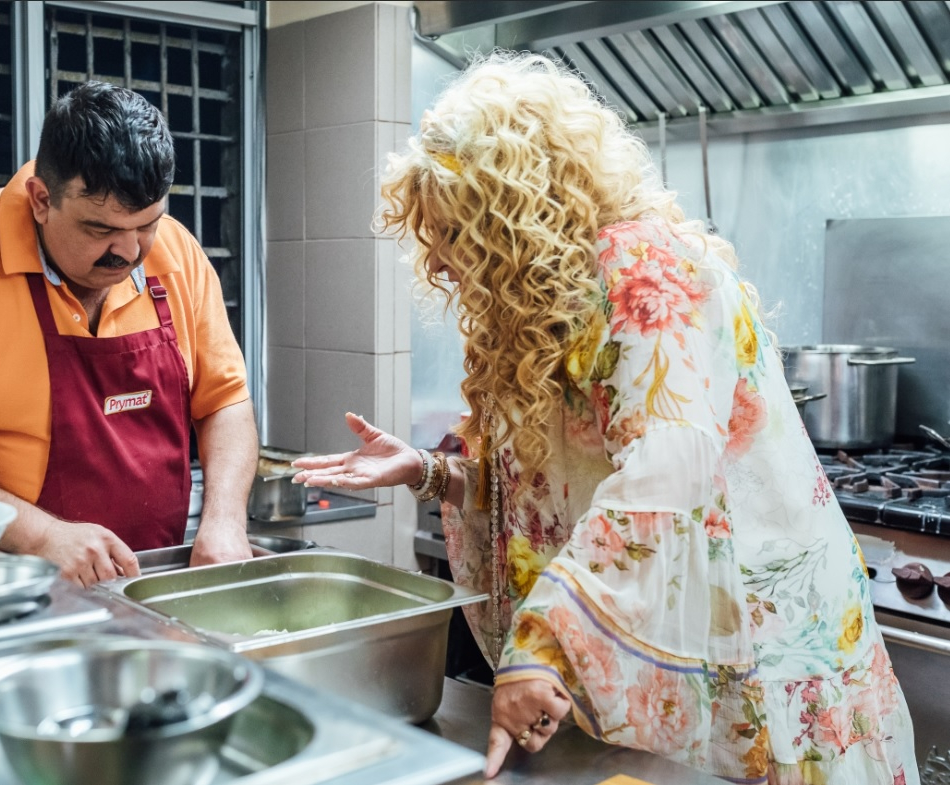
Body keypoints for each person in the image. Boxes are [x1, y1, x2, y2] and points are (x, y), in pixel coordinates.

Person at [292, 53, 917, 784]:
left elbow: (665, 469)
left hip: (758, 650)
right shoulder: (541, 304)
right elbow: (557, 482)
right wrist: (435, 473)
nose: (445, 265)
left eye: (458, 236)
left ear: (521, 215)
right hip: (684, 647)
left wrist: (546, 637)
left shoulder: (650, 270)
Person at [0, 81, 257, 586]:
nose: (128, 252)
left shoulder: (177, 254)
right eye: (99, 229)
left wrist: (224, 521)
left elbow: (225, 401)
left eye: (147, 223)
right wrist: (41, 535)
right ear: (41, 200)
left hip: (148, 583)